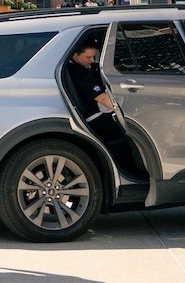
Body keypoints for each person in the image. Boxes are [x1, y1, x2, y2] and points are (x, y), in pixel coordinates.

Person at [62, 38, 146, 179]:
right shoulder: (78, 73)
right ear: (75, 55)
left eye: (93, 57)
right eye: (88, 57)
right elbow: (102, 98)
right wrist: (125, 111)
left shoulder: (81, 68)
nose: (91, 61)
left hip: (97, 115)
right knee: (127, 138)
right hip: (97, 119)